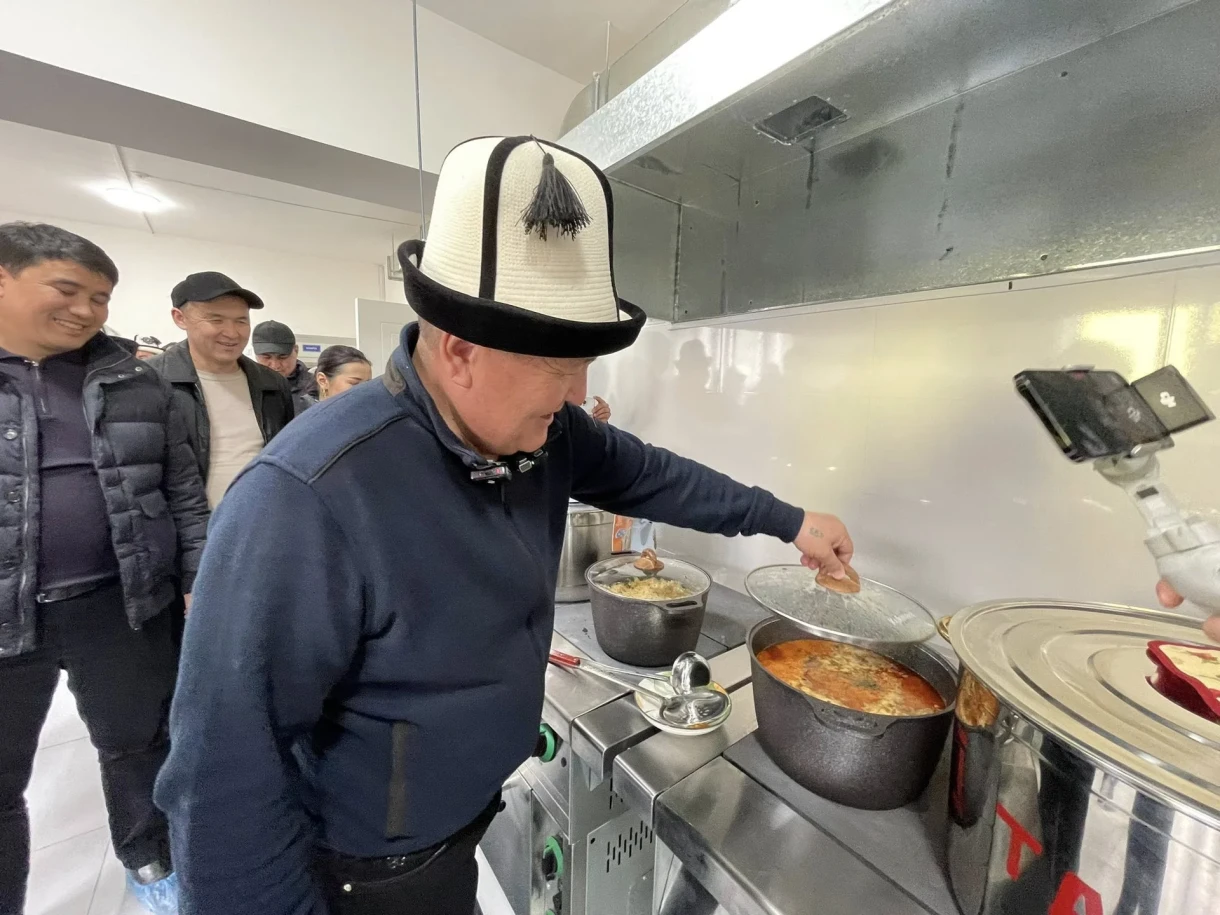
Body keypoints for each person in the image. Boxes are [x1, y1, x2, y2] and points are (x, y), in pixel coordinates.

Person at [155, 137, 853, 915]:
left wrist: (787, 519)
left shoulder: (544, 434)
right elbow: (221, 779)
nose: (578, 392)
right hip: (368, 874)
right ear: (460, 350)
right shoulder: (307, 497)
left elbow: (651, 474)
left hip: (456, 833)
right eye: (560, 367)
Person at [0, 223, 210, 915]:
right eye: (67, 290)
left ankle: (152, 863)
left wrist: (196, 579)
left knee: (138, 743)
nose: (86, 310)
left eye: (100, 297)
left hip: (121, 601)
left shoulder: (132, 380)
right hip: (8, 613)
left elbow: (182, 491)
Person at [146, 273, 295, 509]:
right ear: (180, 318)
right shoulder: (149, 381)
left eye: (241, 321)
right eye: (216, 320)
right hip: (186, 523)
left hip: (262, 517)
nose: (232, 333)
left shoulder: (272, 384)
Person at [252, 319, 319, 410]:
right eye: (266, 357)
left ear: (296, 350)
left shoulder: (316, 387)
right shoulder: (245, 386)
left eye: (282, 357)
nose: (275, 365)